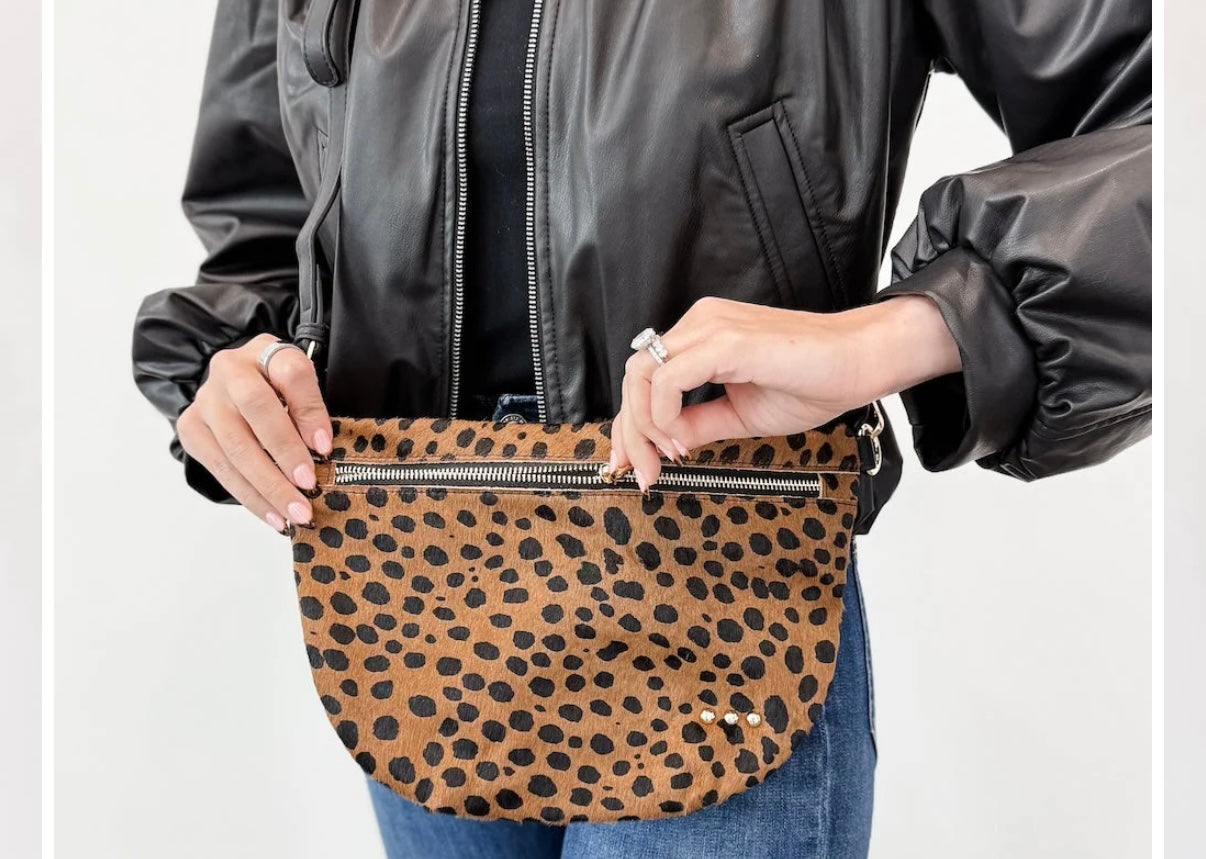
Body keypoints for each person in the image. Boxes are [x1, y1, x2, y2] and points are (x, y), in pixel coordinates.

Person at [130, 1, 1152, 856]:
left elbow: (1161, 122)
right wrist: (237, 360)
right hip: (410, 569)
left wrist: (901, 332)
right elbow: (267, 208)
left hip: (715, 560)